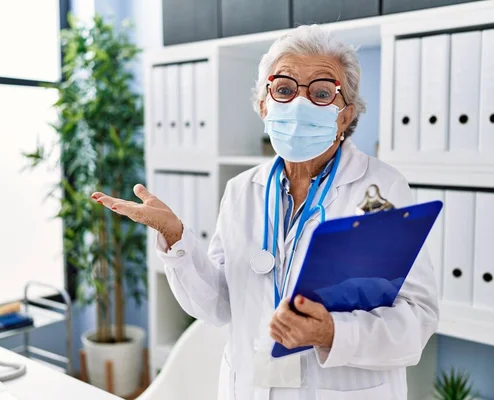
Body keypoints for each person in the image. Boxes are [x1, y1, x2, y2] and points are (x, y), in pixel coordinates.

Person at [92, 24, 438, 400]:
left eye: (322, 93)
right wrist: (175, 236)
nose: (299, 104)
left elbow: (418, 317)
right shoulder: (241, 190)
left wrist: (332, 333)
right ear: (263, 105)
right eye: (285, 89)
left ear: (344, 117)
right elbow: (220, 306)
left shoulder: (383, 188)